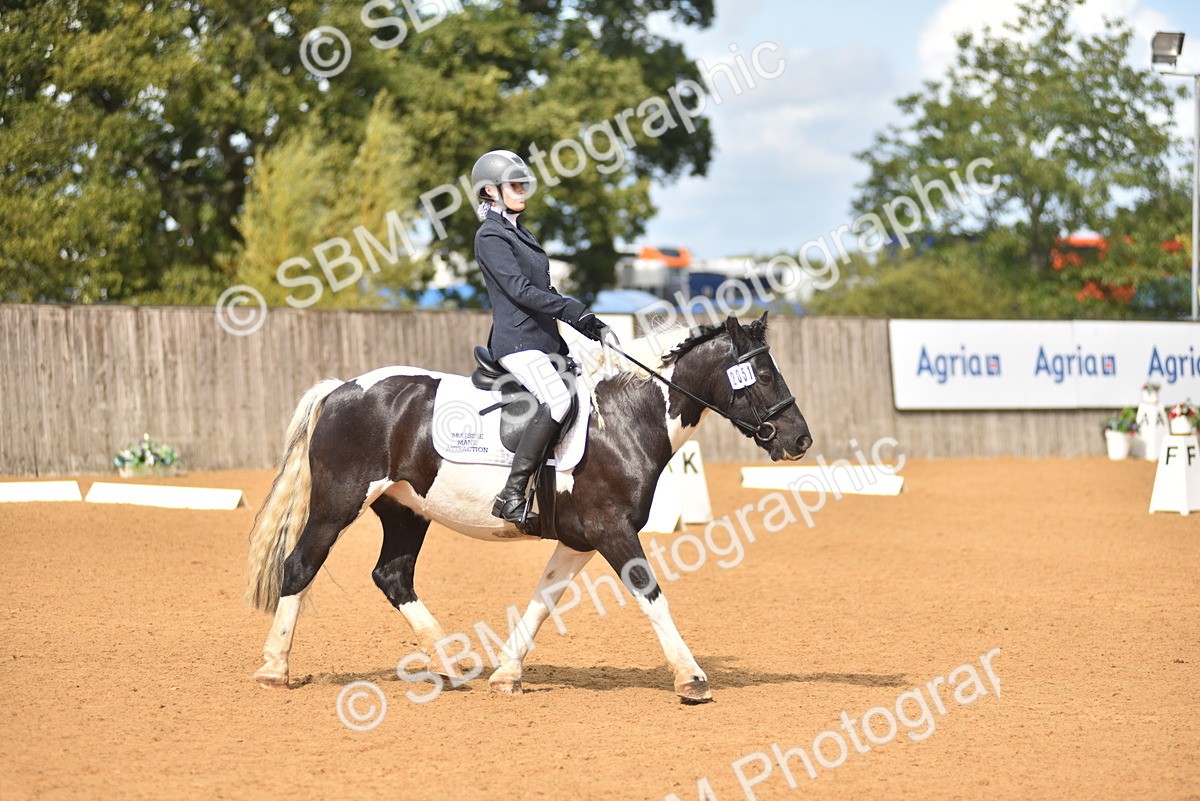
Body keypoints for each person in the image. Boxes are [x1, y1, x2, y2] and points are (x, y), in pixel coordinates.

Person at [471, 149, 619, 528]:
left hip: (545, 340)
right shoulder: (490, 236)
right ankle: (512, 494)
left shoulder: (523, 233)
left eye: (523, 184)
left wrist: (585, 325)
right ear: (490, 190)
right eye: (514, 185)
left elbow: (544, 289)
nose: (522, 190)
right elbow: (520, 291)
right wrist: (573, 309)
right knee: (556, 399)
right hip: (517, 342)